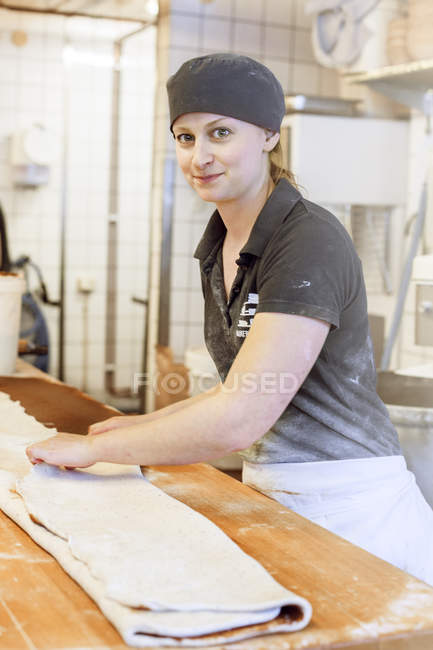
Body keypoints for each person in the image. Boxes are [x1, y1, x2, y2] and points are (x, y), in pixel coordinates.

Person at [26, 53, 433, 585]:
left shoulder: (306, 239)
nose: (200, 157)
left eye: (220, 133)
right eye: (185, 137)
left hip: (358, 513)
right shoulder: (220, 245)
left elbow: (241, 416)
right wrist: (141, 425)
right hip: (281, 497)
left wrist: (96, 448)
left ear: (268, 134)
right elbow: (239, 388)